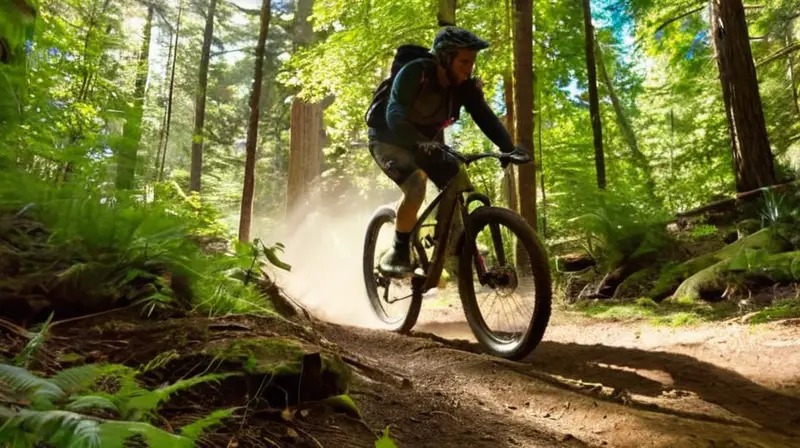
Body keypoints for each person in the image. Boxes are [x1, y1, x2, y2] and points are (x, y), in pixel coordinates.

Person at [368, 26, 530, 277]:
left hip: (426, 143)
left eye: (472, 62)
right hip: (389, 138)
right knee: (416, 185)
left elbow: (484, 116)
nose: (470, 68)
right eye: (464, 61)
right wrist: (420, 140)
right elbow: (394, 115)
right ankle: (399, 249)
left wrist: (509, 149)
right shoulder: (415, 72)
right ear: (444, 58)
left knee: (459, 181)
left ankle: (452, 242)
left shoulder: (464, 86)